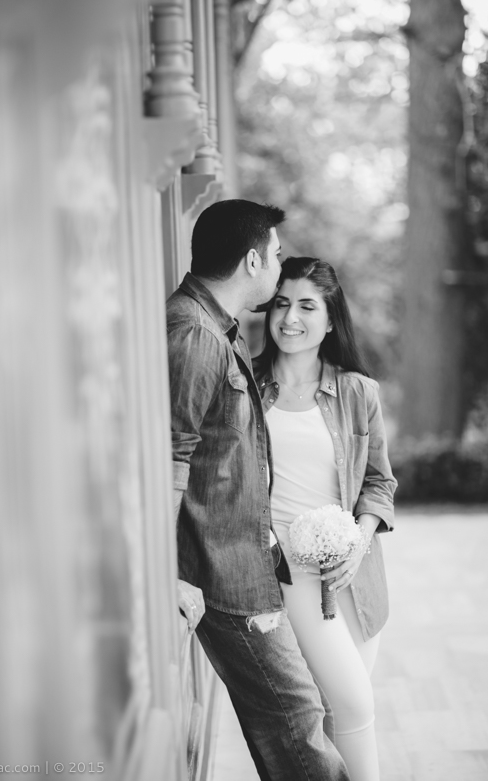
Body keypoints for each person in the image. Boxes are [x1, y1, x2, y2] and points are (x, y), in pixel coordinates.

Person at [167, 201, 350, 781]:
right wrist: (165, 570)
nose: (277, 266)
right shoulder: (195, 334)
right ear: (252, 260)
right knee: (300, 730)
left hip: (244, 563)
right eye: (274, 255)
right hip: (222, 576)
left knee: (299, 723)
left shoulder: (217, 327)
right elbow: (168, 457)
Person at [253, 257, 397, 781]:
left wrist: (358, 539)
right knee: (354, 705)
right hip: (289, 575)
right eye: (281, 303)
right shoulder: (245, 387)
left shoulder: (358, 392)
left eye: (306, 306)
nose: (290, 317)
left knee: (339, 715)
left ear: (331, 319)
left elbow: (379, 483)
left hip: (355, 578)